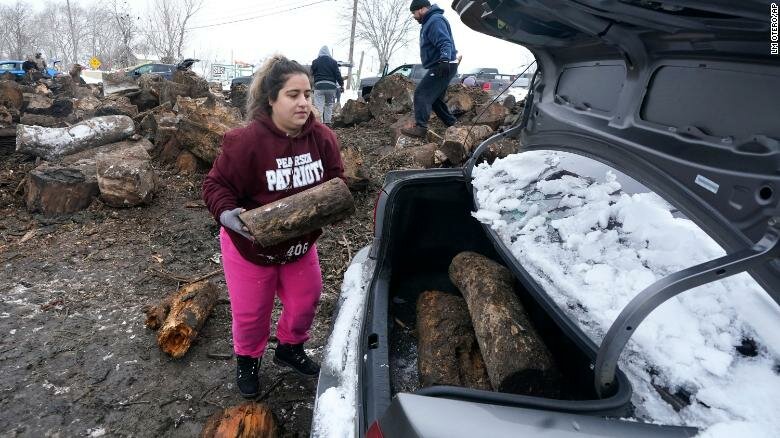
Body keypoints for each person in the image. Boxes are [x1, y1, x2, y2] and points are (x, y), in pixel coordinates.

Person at [202, 55, 345, 399]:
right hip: (250, 246)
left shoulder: (322, 137)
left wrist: (332, 202)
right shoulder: (247, 141)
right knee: (252, 314)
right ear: (271, 99)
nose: (304, 102)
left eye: (308, 94)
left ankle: (289, 349)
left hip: (298, 246)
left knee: (306, 301)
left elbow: (337, 179)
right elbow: (215, 185)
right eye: (293, 95)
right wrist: (227, 215)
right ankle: (248, 361)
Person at [401, 0, 459, 138]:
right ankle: (453, 124)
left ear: (421, 9)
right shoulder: (430, 21)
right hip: (444, 63)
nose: (414, 16)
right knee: (435, 100)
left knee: (421, 94)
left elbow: (445, 41)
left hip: (443, 64)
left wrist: (444, 59)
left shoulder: (434, 20)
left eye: (414, 12)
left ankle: (421, 127)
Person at [310, 46, 343, 125]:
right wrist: (341, 85)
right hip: (331, 87)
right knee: (329, 104)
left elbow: (312, 73)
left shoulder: (315, 62)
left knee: (319, 105)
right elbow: (338, 75)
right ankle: (327, 122)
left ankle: (319, 124)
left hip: (319, 86)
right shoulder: (333, 62)